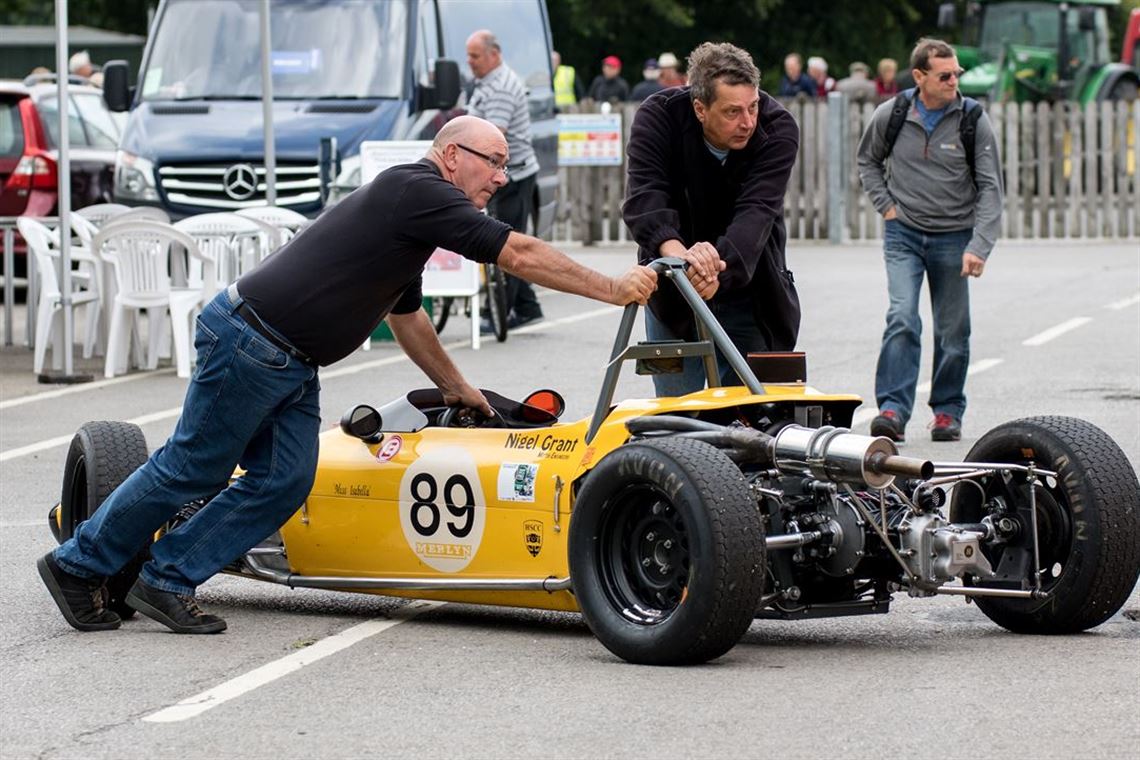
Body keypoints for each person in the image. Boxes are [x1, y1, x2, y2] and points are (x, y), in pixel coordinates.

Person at [37, 115, 658, 635]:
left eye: (504, 165)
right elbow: (517, 252)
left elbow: (407, 314)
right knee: (192, 466)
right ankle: (78, 564)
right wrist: (611, 288)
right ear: (450, 155)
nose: (501, 176)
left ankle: (165, 577)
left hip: (287, 357)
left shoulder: (414, 214)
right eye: (492, 161)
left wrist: (457, 389)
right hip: (253, 340)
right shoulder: (418, 191)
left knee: (284, 481)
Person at [623, 42, 801, 397]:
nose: (748, 122)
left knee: (753, 420)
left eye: (752, 107)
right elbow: (646, 199)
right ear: (700, 108)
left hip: (750, 288)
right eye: (733, 112)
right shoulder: (657, 117)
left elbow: (757, 211)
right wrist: (681, 261)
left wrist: (717, 267)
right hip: (672, 291)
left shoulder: (777, 127)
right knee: (676, 415)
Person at [856, 38, 1003, 443]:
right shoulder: (893, 113)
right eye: (945, 75)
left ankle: (947, 412)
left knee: (954, 330)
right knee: (902, 316)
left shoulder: (973, 118)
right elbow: (867, 160)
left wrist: (979, 245)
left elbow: (991, 187)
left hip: (954, 237)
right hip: (903, 234)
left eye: (957, 73)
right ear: (919, 76)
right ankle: (891, 409)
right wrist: (885, 205)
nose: (954, 80)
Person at [465, 29, 545, 330]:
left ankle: (499, 311)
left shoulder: (500, 86)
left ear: (494, 54)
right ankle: (527, 306)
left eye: (475, 56)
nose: (469, 62)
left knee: (504, 243)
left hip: (511, 175)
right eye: (469, 56)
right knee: (514, 235)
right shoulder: (486, 82)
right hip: (510, 172)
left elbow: (490, 136)